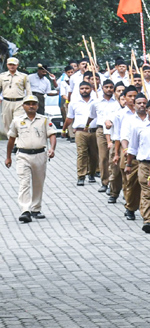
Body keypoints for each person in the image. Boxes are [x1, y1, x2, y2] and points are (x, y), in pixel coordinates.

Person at [5, 94, 57, 222]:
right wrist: (8, 157)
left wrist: (52, 148)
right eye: (28, 104)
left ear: (37, 106)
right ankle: (25, 210)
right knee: (24, 183)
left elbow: (52, 134)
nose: (31, 106)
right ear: (23, 106)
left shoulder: (44, 120)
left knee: (38, 183)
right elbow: (11, 139)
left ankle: (36, 209)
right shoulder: (17, 121)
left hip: (40, 155)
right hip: (23, 155)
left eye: (33, 104)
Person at [127, 98, 150, 233]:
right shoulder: (138, 127)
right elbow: (132, 147)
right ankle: (148, 220)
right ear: (147, 110)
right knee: (147, 192)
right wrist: (129, 164)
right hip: (144, 164)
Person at [117, 91, 146, 219]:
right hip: (134, 158)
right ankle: (130, 207)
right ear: (134, 105)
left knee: (149, 187)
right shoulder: (129, 120)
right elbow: (124, 137)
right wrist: (126, 150)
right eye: (139, 103)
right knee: (132, 185)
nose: (142, 106)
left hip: (148, 159)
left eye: (145, 103)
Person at [66, 79, 97, 185]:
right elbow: (69, 118)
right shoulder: (74, 103)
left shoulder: (96, 101)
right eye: (82, 88)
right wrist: (64, 129)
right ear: (79, 90)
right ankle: (81, 176)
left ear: (91, 89)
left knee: (94, 154)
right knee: (81, 153)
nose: (84, 90)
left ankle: (92, 173)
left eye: (87, 88)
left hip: (94, 131)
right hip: (80, 132)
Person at [93, 79, 119, 194]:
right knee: (103, 157)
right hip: (101, 131)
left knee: (112, 157)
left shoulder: (117, 102)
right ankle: (104, 182)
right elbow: (92, 115)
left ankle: (113, 184)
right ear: (102, 88)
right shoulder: (97, 102)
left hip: (114, 131)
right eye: (106, 87)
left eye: (111, 87)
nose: (109, 89)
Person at [0, 56, 30, 140]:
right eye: (10, 64)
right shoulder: (2, 76)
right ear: (7, 65)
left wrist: (29, 102)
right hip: (6, 102)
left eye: (13, 65)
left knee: (18, 121)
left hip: (19, 102)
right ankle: (11, 141)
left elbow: (28, 90)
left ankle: (18, 142)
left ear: (17, 65)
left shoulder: (23, 76)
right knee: (7, 123)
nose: (12, 66)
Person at [58, 64, 75, 140]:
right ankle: (71, 135)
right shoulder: (63, 82)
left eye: (72, 72)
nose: (70, 74)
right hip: (68, 101)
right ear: (65, 73)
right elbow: (62, 94)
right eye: (69, 72)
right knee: (69, 118)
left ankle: (76, 133)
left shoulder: (76, 80)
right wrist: (69, 99)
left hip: (77, 101)